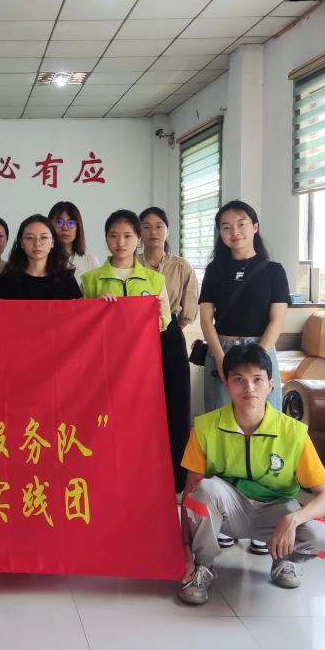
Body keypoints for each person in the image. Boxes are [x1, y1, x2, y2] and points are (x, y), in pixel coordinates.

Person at [178, 344, 325, 606]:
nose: (249, 388)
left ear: (271, 385)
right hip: (229, 510)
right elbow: (190, 495)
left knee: (320, 537)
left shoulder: (293, 432)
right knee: (204, 490)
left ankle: (284, 559)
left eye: (257, 379)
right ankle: (202, 566)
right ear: (226, 384)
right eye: (239, 379)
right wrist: (185, 549)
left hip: (276, 512)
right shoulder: (205, 427)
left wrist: (293, 519)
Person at [199, 200, 289, 413]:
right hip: (222, 349)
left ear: (255, 227)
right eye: (226, 227)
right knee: (220, 419)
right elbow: (206, 319)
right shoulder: (214, 269)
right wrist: (220, 358)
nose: (234, 232)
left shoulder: (274, 271)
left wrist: (258, 357)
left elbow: (277, 320)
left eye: (241, 224)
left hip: (261, 348)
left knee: (266, 420)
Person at [139, 206, 198, 494]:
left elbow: (189, 311)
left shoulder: (181, 266)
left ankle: (175, 477)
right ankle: (142, 472)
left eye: (159, 226)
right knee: (140, 406)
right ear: (139, 232)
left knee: (176, 405)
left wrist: (169, 328)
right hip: (135, 340)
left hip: (169, 335)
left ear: (168, 231)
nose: (153, 232)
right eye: (147, 226)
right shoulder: (131, 264)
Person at [80, 210, 171, 330]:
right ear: (106, 239)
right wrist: (96, 308)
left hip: (141, 343)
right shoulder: (89, 280)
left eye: (127, 236)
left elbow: (165, 322)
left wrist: (155, 317)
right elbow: (81, 323)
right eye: (113, 236)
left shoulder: (155, 280)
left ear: (138, 239)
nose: (120, 243)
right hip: (106, 342)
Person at [0, 215, 81, 300]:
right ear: (21, 243)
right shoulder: (8, 280)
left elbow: (77, 309)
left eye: (44, 237)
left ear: (52, 242)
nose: (37, 243)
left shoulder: (66, 279)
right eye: (30, 238)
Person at [48, 201, 100, 283]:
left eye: (71, 222)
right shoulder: (42, 259)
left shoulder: (89, 261)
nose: (65, 228)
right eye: (59, 222)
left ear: (78, 227)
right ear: (49, 226)